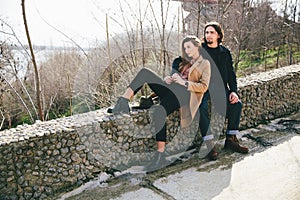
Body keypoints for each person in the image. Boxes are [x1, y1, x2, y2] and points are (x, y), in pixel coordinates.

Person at [107, 35, 211, 172]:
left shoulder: (205, 64)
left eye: (189, 47)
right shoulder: (179, 61)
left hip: (185, 95)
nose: (186, 50)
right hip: (171, 90)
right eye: (184, 48)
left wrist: (184, 82)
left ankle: (160, 155)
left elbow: (203, 87)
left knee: (159, 111)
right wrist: (168, 79)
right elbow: (173, 75)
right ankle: (123, 102)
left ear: (197, 47)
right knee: (144, 73)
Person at [199, 21, 249, 161]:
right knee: (200, 107)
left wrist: (234, 91)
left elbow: (231, 74)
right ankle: (209, 143)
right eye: (206, 32)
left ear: (219, 35)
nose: (208, 35)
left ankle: (231, 139)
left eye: (212, 32)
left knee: (236, 104)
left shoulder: (225, 52)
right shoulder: (200, 50)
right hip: (203, 87)